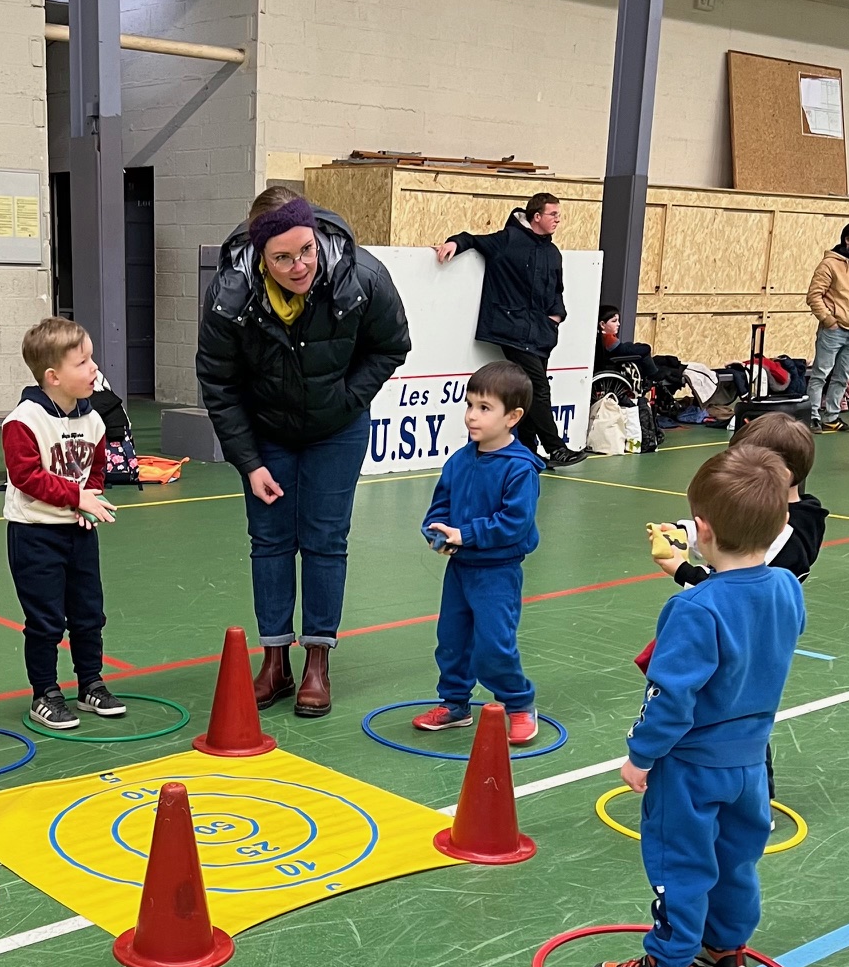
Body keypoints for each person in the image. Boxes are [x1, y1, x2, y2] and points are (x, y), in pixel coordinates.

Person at [594, 448, 805, 967]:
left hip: (690, 767)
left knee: (681, 865)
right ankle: (726, 948)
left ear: (701, 531)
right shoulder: (789, 588)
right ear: (783, 524)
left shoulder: (695, 609)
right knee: (736, 858)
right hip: (751, 764)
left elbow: (669, 699)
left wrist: (640, 756)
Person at [197, 186, 410, 717]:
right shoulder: (230, 293)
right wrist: (248, 462)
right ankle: (274, 659)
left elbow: (392, 344)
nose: (300, 266)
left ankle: (318, 659)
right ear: (261, 255)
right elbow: (218, 383)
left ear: (316, 235)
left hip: (336, 429)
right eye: (283, 258)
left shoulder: (362, 277)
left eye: (307, 250)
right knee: (269, 540)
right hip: (267, 432)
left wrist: (347, 398)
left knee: (324, 539)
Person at [654, 412, 826, 809]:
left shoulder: (793, 532)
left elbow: (733, 594)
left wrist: (682, 570)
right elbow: (727, 528)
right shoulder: (769, 514)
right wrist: (684, 531)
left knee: (741, 717)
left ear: (782, 476)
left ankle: (753, 801)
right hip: (739, 624)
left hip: (752, 633)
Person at [411, 361, 547, 746]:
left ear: (513, 417)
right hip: (460, 569)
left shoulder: (520, 469)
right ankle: (455, 705)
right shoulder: (459, 461)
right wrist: (437, 532)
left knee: (493, 645)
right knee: (451, 640)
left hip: (497, 574)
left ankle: (519, 703)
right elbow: (441, 506)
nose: (471, 415)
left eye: (484, 408)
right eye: (469, 405)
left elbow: (514, 523)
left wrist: (465, 534)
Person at [2, 318, 124, 731]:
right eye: (83, 362)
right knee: (46, 619)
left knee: (89, 613)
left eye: (91, 359)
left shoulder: (94, 420)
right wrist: (77, 497)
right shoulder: (24, 420)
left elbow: (96, 468)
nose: (94, 369)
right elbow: (26, 476)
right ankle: (45, 692)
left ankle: (91, 682)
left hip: (78, 532)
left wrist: (88, 501)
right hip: (35, 534)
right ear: (53, 377)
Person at [434, 192, 586, 468]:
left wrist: (556, 316)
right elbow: (473, 239)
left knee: (527, 391)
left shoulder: (552, 253)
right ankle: (556, 448)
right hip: (513, 330)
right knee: (539, 389)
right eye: (553, 214)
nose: (558, 220)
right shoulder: (508, 241)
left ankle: (528, 450)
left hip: (540, 333)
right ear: (536, 216)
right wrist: (454, 243)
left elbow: (557, 290)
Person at [806, 219, 849, 433]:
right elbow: (814, 295)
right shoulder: (829, 265)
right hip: (832, 331)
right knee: (820, 374)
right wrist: (829, 321)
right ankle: (813, 416)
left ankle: (832, 418)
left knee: (843, 376)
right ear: (847, 240)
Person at [595, 303, 657, 386]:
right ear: (602, 324)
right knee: (645, 350)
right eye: (614, 321)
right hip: (616, 361)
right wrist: (646, 348)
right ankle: (653, 375)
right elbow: (621, 350)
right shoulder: (607, 338)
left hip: (617, 356)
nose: (618, 324)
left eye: (618, 321)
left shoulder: (602, 337)